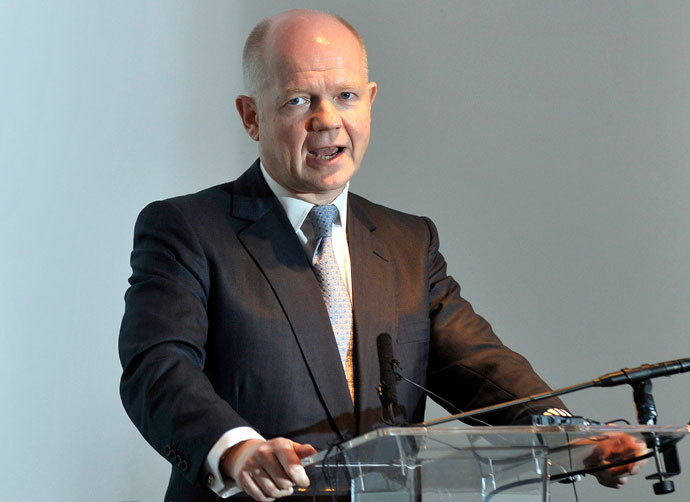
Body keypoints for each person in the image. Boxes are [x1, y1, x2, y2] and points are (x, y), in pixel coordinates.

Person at [119, 9, 644, 501]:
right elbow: (157, 368)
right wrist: (236, 450)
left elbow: (477, 364)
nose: (326, 120)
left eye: (345, 95)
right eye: (298, 100)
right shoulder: (186, 229)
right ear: (250, 115)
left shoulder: (407, 241)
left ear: (370, 99)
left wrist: (568, 433)